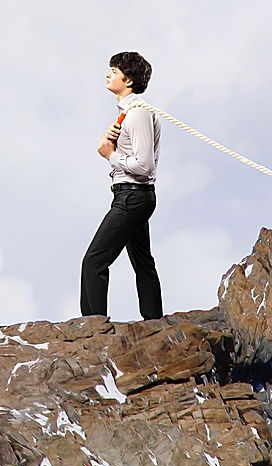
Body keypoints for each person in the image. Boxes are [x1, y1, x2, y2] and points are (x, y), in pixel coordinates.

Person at [81, 51, 163, 320]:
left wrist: (109, 154)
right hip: (132, 196)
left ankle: (92, 327)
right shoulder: (128, 113)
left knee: (94, 261)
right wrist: (114, 148)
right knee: (143, 262)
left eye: (114, 71)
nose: (109, 74)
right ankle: (154, 321)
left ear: (128, 80)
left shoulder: (138, 114)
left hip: (132, 197)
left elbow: (144, 166)